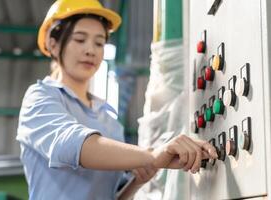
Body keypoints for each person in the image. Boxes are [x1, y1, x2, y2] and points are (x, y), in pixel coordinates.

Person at [16, 0, 218, 199]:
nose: (90, 50)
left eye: (99, 42)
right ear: (53, 44)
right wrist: (153, 154)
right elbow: (71, 145)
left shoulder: (109, 121)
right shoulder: (40, 97)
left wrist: (137, 182)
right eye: (79, 39)